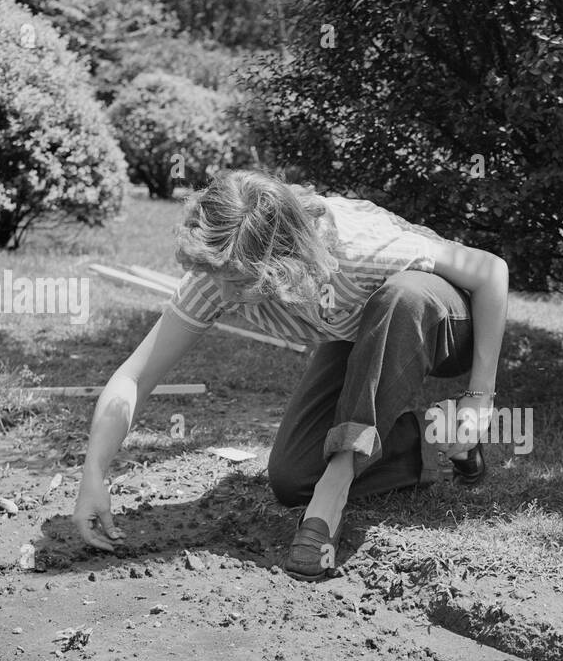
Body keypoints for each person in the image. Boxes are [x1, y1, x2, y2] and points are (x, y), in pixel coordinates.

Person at [72, 168, 508, 580]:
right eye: (217, 277)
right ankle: (437, 440)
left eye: (239, 281)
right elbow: (135, 377)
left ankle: (331, 495)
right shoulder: (222, 269)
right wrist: (94, 472)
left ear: (284, 259)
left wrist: (479, 395)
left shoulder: (358, 249)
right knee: (293, 477)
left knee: (402, 295)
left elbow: (491, 271)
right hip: (361, 332)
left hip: (447, 322)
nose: (224, 294)